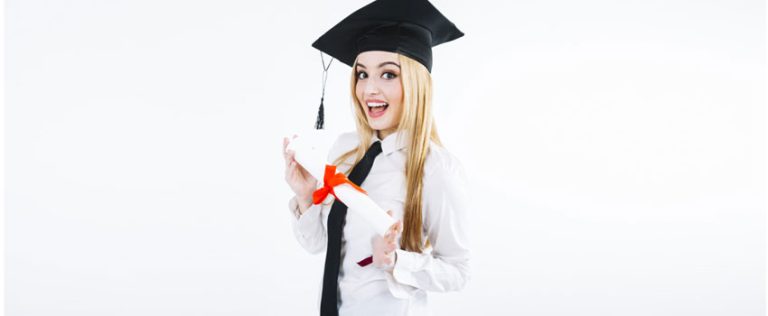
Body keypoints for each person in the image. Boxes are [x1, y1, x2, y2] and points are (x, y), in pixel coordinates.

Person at [282, 0, 469, 314]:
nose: (369, 89)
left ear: (416, 83)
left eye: (388, 75)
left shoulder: (435, 168)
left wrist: (398, 261)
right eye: (362, 74)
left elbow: (458, 271)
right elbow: (318, 246)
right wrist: (305, 197)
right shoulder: (344, 150)